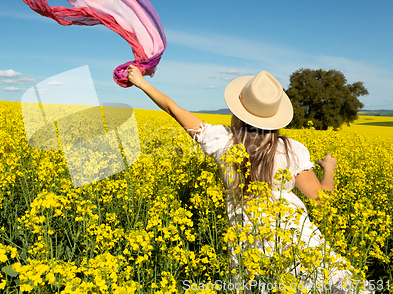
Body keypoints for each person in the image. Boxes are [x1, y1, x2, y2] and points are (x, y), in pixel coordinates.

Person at [127, 66, 373, 294]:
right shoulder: (293, 149)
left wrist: (140, 82)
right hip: (296, 237)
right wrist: (328, 169)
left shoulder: (222, 141)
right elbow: (322, 201)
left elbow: (172, 109)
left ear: (238, 113)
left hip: (248, 240)